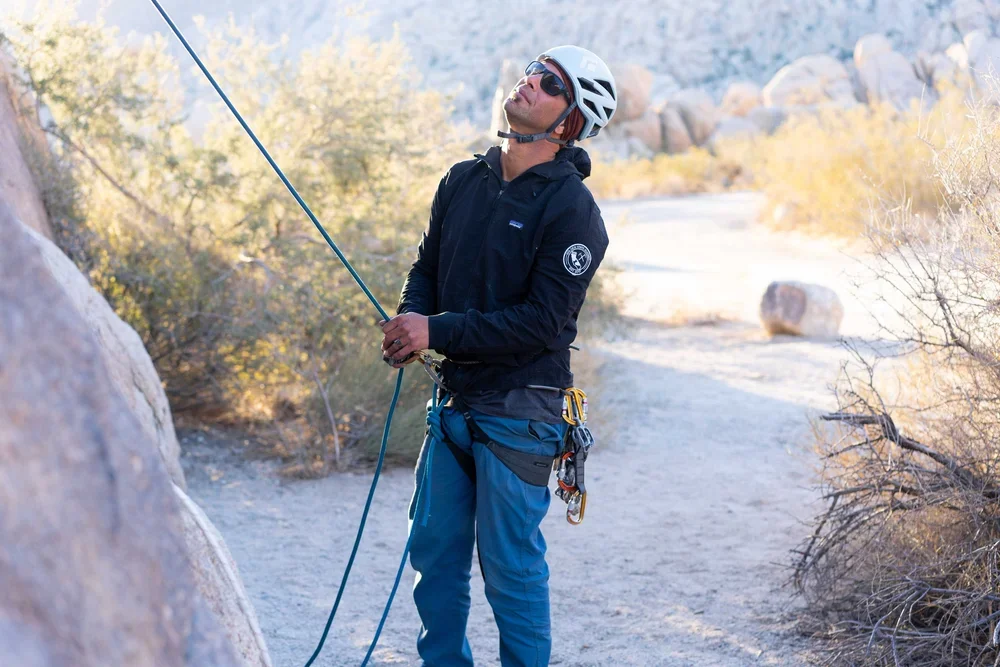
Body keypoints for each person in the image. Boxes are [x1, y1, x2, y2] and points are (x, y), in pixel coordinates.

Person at [378, 45, 617, 667]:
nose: (528, 83)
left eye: (548, 83)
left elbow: (543, 324)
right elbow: (425, 268)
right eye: (530, 72)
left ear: (569, 122)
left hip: (522, 412)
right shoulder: (462, 180)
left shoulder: (574, 212)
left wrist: (437, 331)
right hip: (453, 403)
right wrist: (412, 323)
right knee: (433, 560)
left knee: (509, 571)